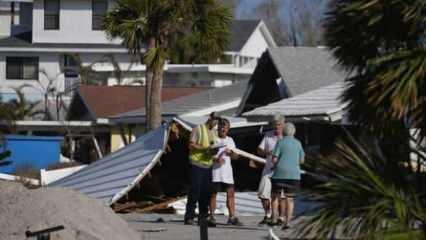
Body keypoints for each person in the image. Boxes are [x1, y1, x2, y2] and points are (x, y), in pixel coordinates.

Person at [184, 112, 220, 225]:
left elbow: (213, 147)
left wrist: (215, 151)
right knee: (195, 190)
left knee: (206, 193)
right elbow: (191, 145)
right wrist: (205, 149)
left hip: (208, 165)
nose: (215, 122)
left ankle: (202, 217)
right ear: (209, 118)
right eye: (214, 119)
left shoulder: (214, 132)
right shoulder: (198, 129)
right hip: (196, 164)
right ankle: (189, 216)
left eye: (217, 120)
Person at [208, 118, 243, 227]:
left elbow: (236, 156)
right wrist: (216, 159)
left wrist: (231, 153)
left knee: (231, 194)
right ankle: (212, 216)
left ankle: (231, 217)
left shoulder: (230, 140)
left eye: (225, 127)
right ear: (218, 128)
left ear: (228, 129)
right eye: (221, 127)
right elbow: (208, 154)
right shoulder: (213, 139)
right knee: (213, 194)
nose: (223, 129)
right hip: (215, 172)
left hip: (227, 172)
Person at [270, 123, 304, 230]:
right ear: (294, 132)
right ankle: (288, 222)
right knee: (290, 199)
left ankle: (275, 218)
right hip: (294, 175)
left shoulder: (280, 142)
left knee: (275, 196)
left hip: (279, 173)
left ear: (283, 132)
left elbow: (274, 159)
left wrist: (275, 165)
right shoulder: (298, 143)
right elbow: (302, 160)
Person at [256, 114, 285, 225]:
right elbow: (259, 150)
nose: (277, 127)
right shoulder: (268, 135)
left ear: (283, 125)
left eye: (279, 125)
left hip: (281, 171)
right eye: (275, 125)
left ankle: (281, 218)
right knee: (262, 193)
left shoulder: (286, 137)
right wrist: (266, 152)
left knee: (281, 196)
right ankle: (267, 215)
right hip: (268, 170)